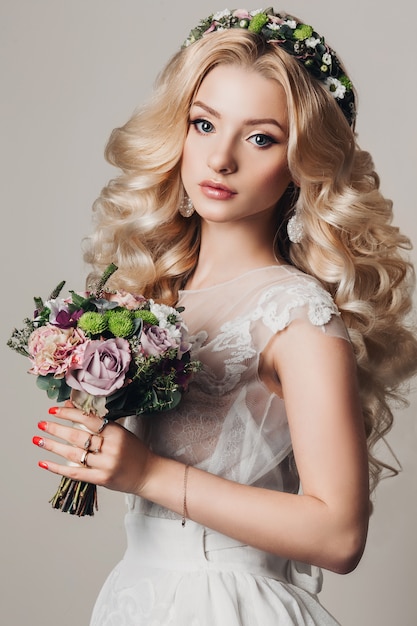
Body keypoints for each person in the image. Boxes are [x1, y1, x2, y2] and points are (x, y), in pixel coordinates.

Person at [33, 8, 417, 625]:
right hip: (140, 592)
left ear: (302, 164)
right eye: (204, 124)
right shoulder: (158, 297)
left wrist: (144, 471)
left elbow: (340, 535)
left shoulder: (299, 313)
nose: (220, 159)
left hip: (227, 604)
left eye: (260, 137)